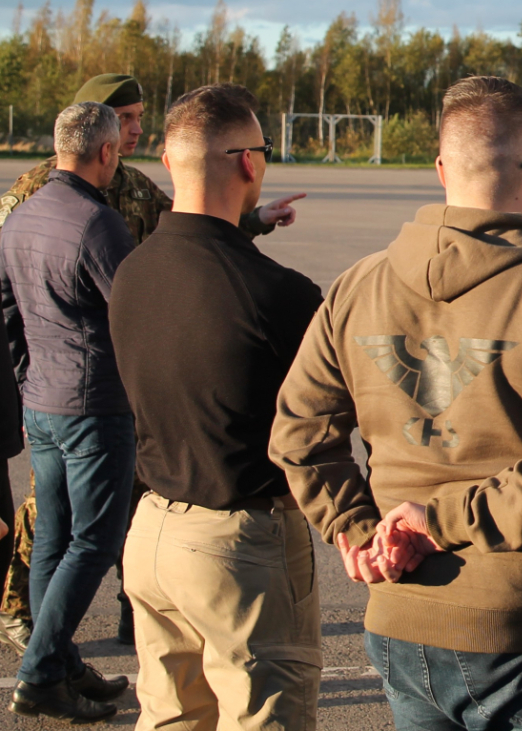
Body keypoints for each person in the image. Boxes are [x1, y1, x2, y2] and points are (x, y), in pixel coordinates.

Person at [271, 75, 522, 731]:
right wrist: (437, 523)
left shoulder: (358, 286)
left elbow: (298, 432)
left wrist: (357, 530)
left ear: (441, 170)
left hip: (400, 619)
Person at [0, 72, 304, 652]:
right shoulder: (37, 195)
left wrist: (253, 220)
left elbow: (191, 224)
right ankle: (31, 630)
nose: (135, 129)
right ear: (99, 130)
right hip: (79, 386)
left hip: (115, 381)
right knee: (57, 522)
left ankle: (128, 616)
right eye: (126, 119)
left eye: (140, 118)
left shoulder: (133, 186)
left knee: (138, 499)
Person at [110, 85, 325, 731]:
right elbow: (327, 426)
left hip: (151, 532)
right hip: (239, 546)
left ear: (169, 162)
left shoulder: (132, 271)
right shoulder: (278, 294)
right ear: (248, 163)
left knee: (170, 715)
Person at [1, 102, 137, 722]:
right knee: (95, 540)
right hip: (93, 406)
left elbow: (8, 311)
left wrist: (28, 380)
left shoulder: (20, 216)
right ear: (106, 151)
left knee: (53, 540)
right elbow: (134, 318)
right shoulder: (98, 223)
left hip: (42, 402)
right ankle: (40, 674)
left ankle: (59, 660)